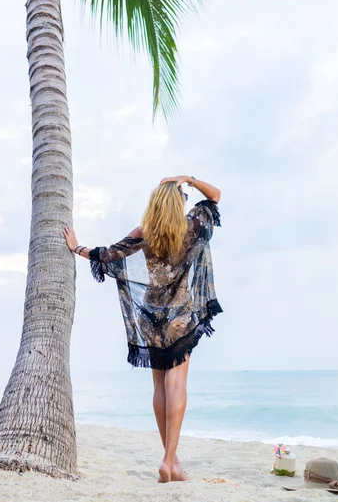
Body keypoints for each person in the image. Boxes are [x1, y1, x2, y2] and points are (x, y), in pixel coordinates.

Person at [63, 175, 222, 483]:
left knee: (160, 387)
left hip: (151, 318)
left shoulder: (143, 233)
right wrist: (187, 179)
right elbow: (215, 196)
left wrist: (76, 247)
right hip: (180, 315)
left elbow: (106, 256)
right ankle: (168, 460)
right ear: (179, 204)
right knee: (177, 385)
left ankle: (172, 461)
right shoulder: (190, 226)